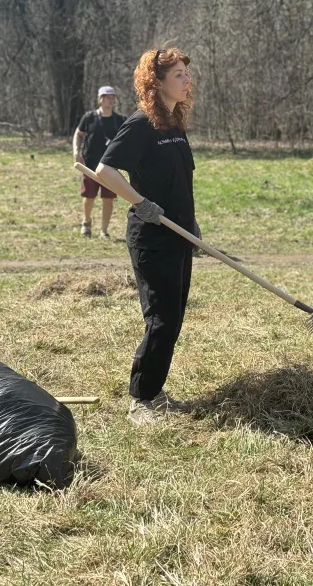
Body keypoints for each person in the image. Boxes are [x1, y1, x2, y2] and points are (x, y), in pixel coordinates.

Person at [95, 48, 200, 424]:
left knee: (173, 318)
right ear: (156, 83)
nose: (187, 80)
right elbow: (104, 171)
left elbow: (178, 183)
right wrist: (141, 203)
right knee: (161, 318)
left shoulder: (174, 123)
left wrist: (192, 224)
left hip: (178, 235)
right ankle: (140, 400)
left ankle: (155, 391)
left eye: (186, 73)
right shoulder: (141, 123)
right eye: (178, 75)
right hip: (152, 238)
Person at [73, 86, 126, 238]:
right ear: (100, 99)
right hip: (89, 165)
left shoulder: (119, 120)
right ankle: (86, 222)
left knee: (108, 199)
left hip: (110, 168)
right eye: (108, 97)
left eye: (112, 97)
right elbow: (78, 134)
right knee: (89, 197)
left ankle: (104, 230)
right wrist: (76, 152)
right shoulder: (89, 117)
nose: (111, 100)